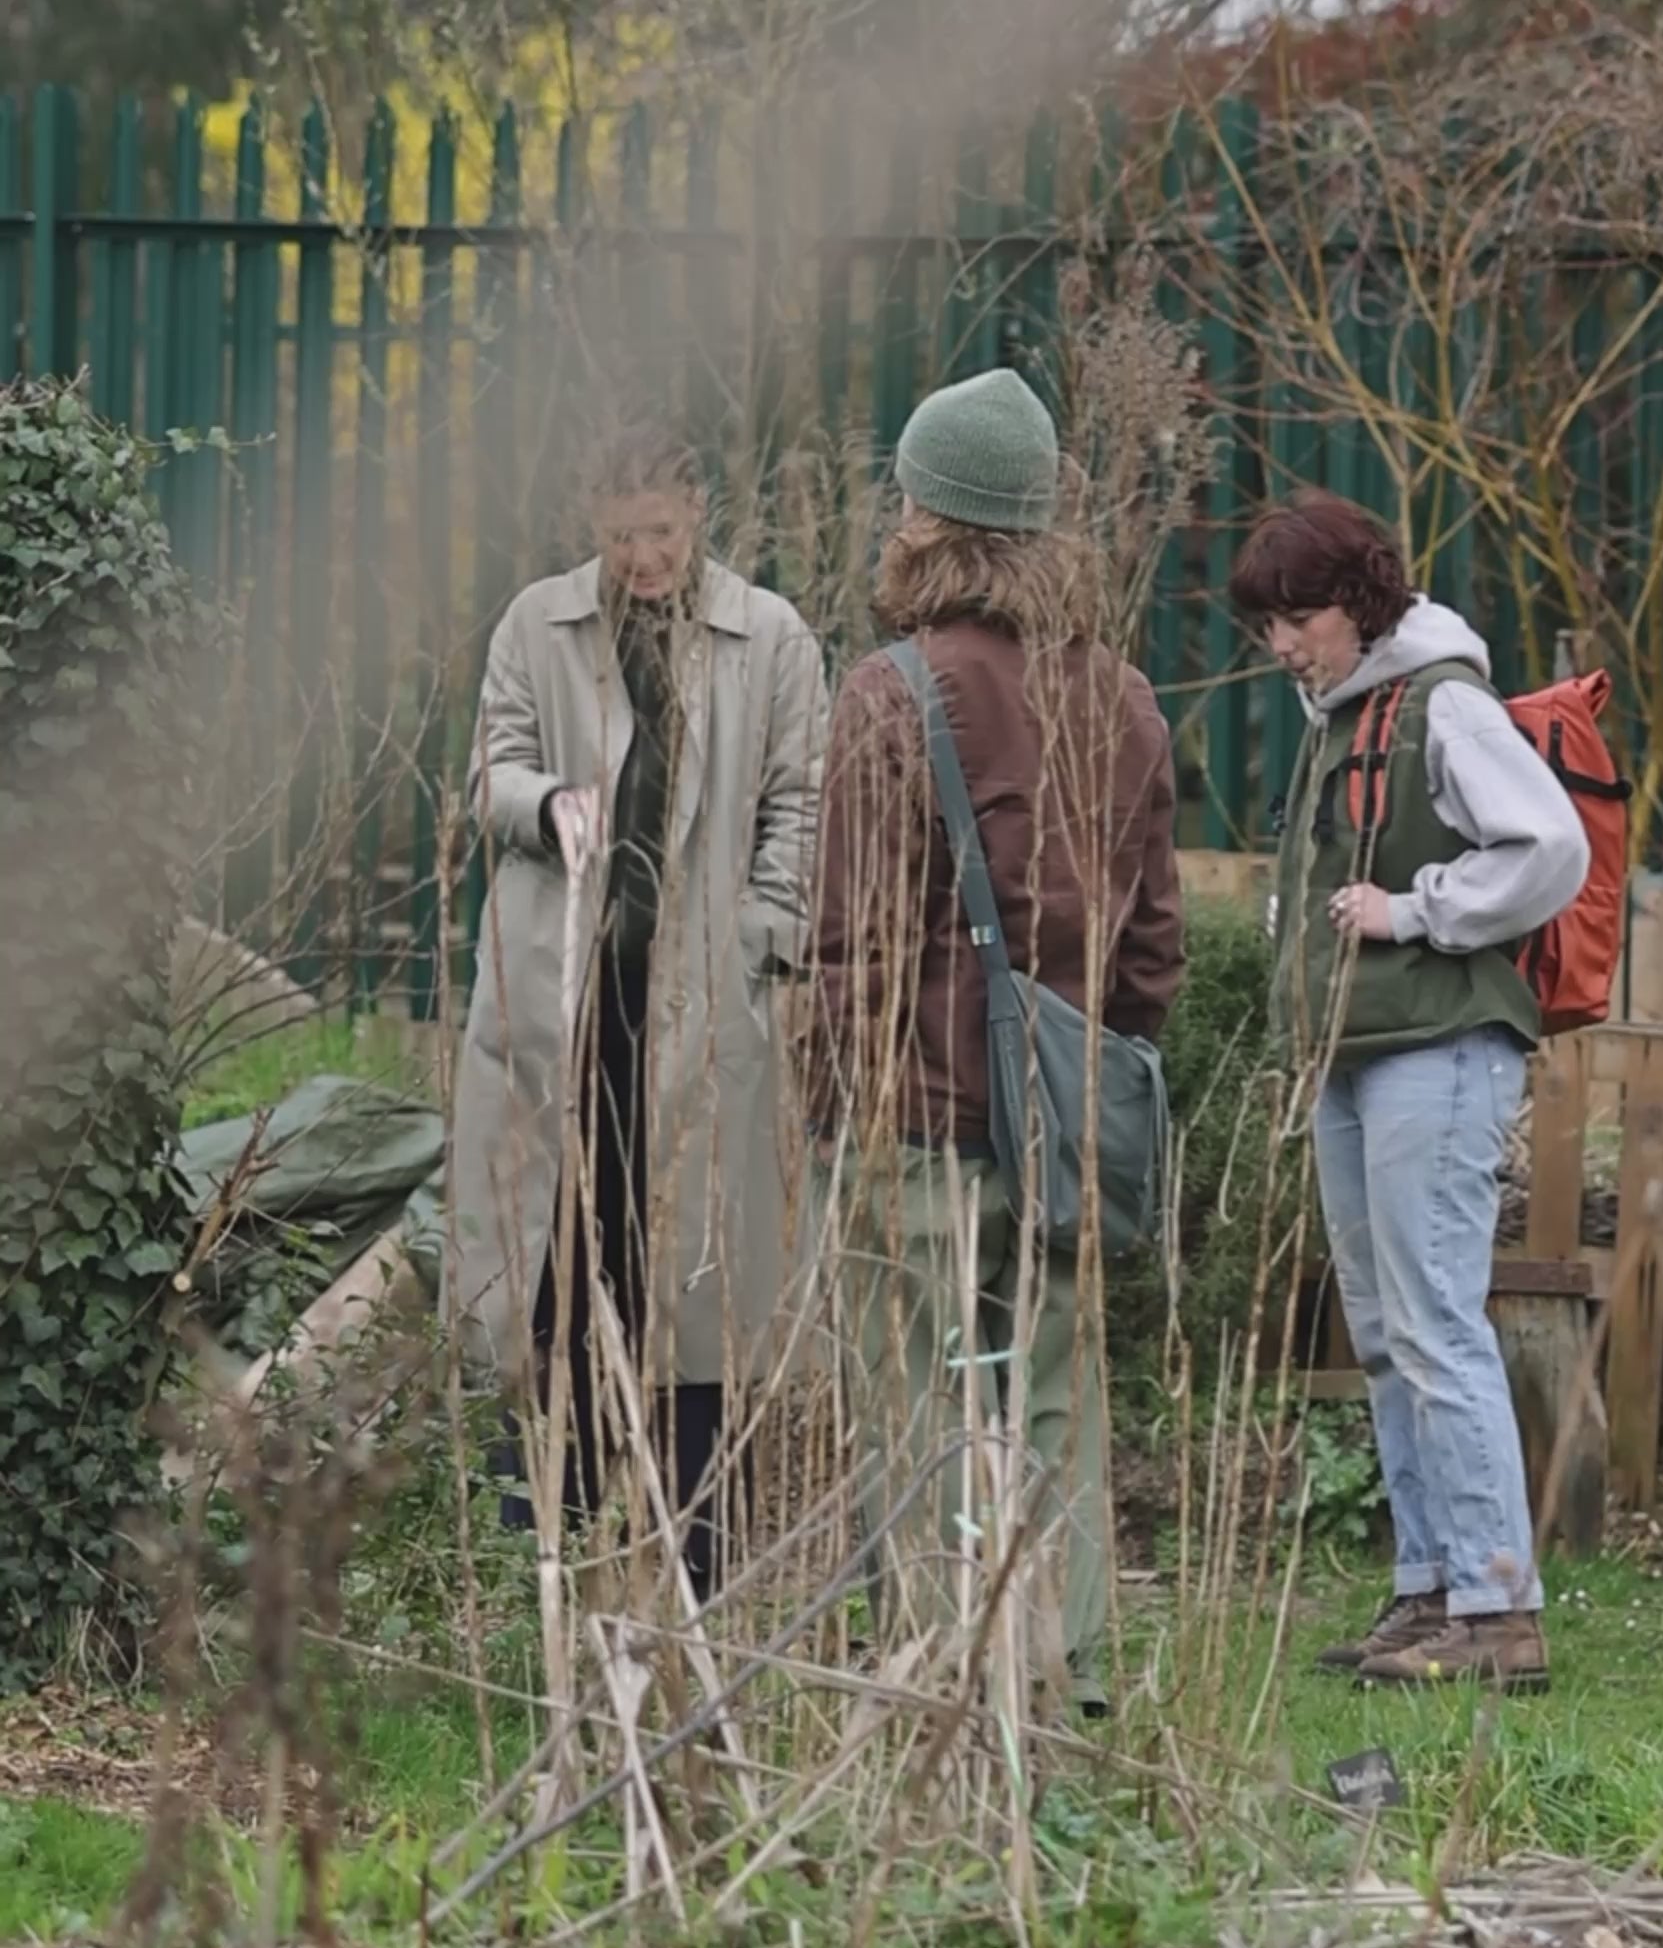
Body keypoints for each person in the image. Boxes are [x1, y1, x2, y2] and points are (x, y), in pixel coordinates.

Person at [812, 367, 1184, 1682]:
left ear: (927, 515)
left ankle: (947, 1671)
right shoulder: (1125, 699)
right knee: (1056, 1403)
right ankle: (1064, 1667)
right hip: (1064, 1124)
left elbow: (849, 943)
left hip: (916, 1118)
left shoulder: (890, 693)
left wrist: (838, 1109)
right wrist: (1088, 1074)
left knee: (921, 1403)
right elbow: (1153, 947)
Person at [449, 428, 827, 1599]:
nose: (644, 556)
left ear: (698, 512)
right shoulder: (538, 624)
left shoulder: (771, 638)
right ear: (590, 523)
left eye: (661, 531)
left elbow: (801, 804)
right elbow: (488, 769)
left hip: (706, 1010)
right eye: (621, 537)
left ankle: (694, 1551)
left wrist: (763, 939)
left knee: (693, 1276)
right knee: (552, 1263)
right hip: (559, 1006)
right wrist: (543, 803)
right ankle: (538, 1547)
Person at [1229, 496, 1588, 1693]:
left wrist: (1418, 909)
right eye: (1268, 626)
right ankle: (1430, 1588)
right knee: (1387, 1334)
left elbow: (1549, 848)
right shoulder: (1344, 715)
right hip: (1356, 1051)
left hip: (1437, 1046)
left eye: (1300, 618)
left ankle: (1498, 1607)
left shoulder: (1444, 702)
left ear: (1361, 599)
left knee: (1435, 1323)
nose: (1283, 645)